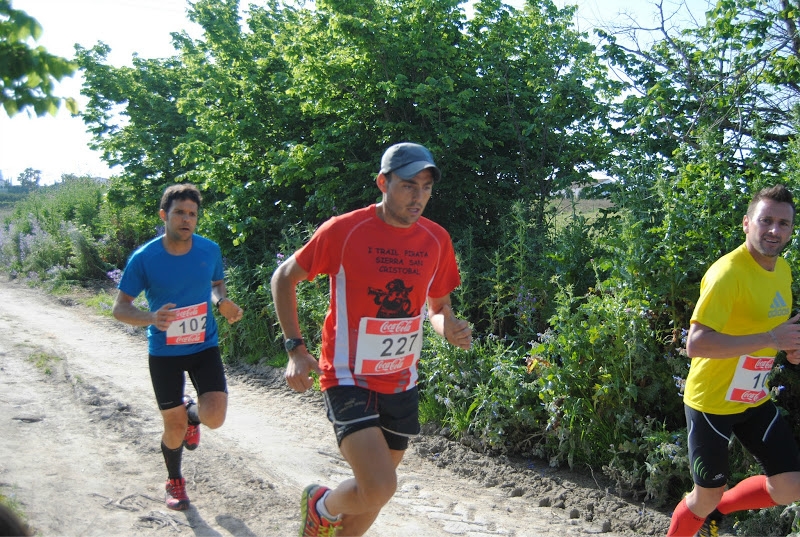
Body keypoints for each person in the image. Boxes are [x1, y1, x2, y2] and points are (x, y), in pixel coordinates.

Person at [271, 142, 473, 536]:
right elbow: (284, 277)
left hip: (400, 379)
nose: (418, 197)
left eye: (426, 188)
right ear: (383, 182)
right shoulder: (344, 230)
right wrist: (295, 348)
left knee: (374, 493)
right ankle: (320, 504)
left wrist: (446, 326)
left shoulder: (436, 239)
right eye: (408, 186)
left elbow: (437, 306)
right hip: (347, 375)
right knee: (380, 485)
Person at [667, 184, 800, 536]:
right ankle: (706, 508)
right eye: (766, 220)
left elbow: (770, 330)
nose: (774, 230)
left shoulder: (782, 270)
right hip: (711, 402)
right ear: (746, 223)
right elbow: (696, 344)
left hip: (752, 397)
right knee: (705, 495)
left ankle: (718, 510)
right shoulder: (727, 274)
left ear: (791, 230)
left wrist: (789, 348)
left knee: (790, 486)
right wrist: (771, 339)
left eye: (783, 223)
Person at [112, 183, 243, 511]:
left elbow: (216, 283)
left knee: (215, 418)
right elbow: (120, 308)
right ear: (164, 215)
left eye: (192, 214)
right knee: (173, 426)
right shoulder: (145, 258)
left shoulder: (209, 250)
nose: (186, 219)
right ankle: (174, 480)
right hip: (165, 353)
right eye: (179, 213)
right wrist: (151, 317)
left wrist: (221, 301)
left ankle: (192, 416)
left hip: (203, 345)